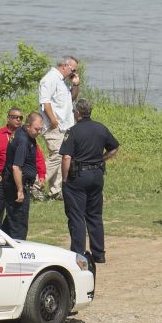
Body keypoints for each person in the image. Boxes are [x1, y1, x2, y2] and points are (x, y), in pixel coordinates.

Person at [60, 98, 119, 271]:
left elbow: (66, 157)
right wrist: (101, 159)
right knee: (94, 215)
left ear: (78, 113)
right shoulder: (101, 128)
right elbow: (114, 148)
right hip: (97, 175)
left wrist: (64, 179)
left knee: (77, 216)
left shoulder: (73, 131)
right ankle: (99, 254)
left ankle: (78, 254)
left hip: (78, 177)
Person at [38, 55, 80, 200]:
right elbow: (45, 103)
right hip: (54, 127)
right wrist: (53, 121)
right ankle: (36, 185)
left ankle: (55, 191)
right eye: (73, 70)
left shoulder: (62, 81)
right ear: (64, 66)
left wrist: (75, 84)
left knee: (61, 156)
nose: (73, 73)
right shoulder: (50, 79)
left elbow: (71, 98)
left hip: (65, 126)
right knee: (57, 156)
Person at [1, 112, 47, 240]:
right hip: (16, 187)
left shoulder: (27, 135)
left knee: (11, 221)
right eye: (36, 129)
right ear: (27, 125)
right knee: (19, 224)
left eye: (41, 129)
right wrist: (20, 190)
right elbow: (16, 167)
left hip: (18, 184)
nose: (38, 132)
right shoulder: (23, 140)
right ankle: (19, 254)